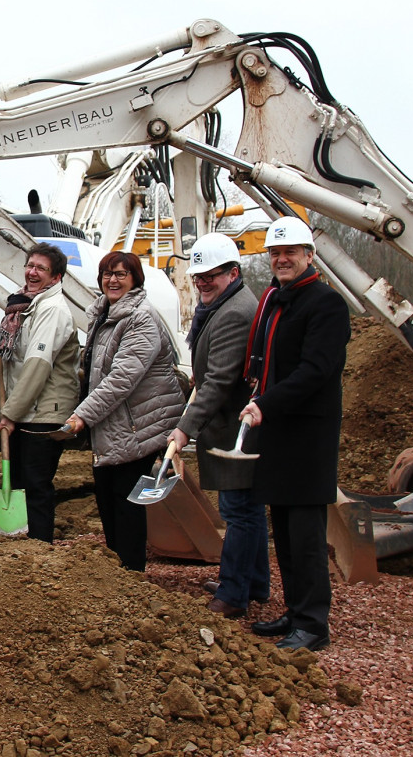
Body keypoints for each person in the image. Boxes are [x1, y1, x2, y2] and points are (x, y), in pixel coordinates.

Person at [241, 216, 350, 651]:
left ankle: (313, 624)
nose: (282, 259)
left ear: (309, 255)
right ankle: (295, 612)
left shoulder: (325, 304)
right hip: (279, 433)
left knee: (305, 535)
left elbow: (316, 370)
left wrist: (265, 403)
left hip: (307, 436)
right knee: (283, 530)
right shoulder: (278, 300)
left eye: (290, 252)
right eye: (275, 253)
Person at [64, 251, 186, 571]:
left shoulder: (141, 317)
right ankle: (120, 572)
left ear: (135, 280)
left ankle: (132, 575)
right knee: (106, 496)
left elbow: (121, 379)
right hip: (115, 421)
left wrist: (83, 415)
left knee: (125, 499)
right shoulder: (105, 313)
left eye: (120, 274)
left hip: (140, 424)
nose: (112, 280)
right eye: (107, 274)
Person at [168, 233, 265, 619]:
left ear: (233, 272)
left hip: (234, 430)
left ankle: (234, 594)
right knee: (249, 510)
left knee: (239, 511)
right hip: (233, 424)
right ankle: (254, 582)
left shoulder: (235, 312)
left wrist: (184, 427)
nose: (203, 281)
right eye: (198, 276)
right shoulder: (223, 305)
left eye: (211, 274)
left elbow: (221, 381)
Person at [0, 242, 81, 542]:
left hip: (44, 413)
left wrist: (9, 414)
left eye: (41, 268)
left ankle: (40, 548)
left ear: (56, 278)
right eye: (30, 266)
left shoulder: (52, 309)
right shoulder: (25, 306)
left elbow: (37, 366)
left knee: (36, 483)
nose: (32, 272)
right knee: (19, 481)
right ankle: (21, 545)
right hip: (27, 408)